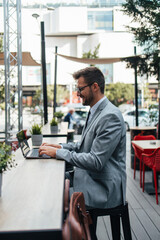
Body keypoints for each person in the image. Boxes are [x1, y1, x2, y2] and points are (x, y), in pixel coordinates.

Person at [39, 66, 126, 209]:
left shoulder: (110, 116)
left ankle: (80, 231)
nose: (78, 94)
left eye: (80, 89)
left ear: (95, 87)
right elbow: (83, 145)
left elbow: (96, 161)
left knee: (55, 197)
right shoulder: (95, 110)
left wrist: (59, 153)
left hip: (105, 188)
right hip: (92, 178)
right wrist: (59, 147)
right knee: (52, 182)